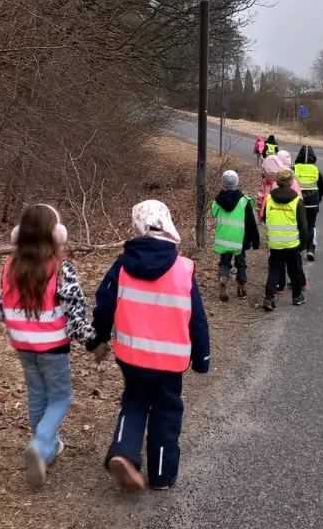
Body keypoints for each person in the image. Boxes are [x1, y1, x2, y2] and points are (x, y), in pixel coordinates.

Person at [0, 204, 104, 489]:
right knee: (60, 397)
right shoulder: (61, 269)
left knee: (37, 394)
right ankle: (39, 443)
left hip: (23, 346)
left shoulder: (11, 266)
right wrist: (94, 342)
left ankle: (47, 450)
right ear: (57, 235)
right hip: (53, 348)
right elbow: (76, 318)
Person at [92, 200, 210, 491]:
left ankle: (123, 451)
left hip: (131, 357)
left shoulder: (121, 266)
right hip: (170, 363)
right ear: (168, 225)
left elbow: (103, 306)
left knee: (134, 402)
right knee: (166, 412)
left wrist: (98, 338)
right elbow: (197, 319)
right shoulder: (183, 269)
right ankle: (161, 475)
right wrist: (202, 357)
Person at [262, 169, 309, 311]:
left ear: (277, 181)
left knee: (274, 270)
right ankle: (297, 296)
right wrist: (303, 244)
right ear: (291, 182)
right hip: (292, 243)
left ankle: (269, 298)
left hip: (275, 242)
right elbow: (303, 225)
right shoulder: (297, 201)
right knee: (294, 270)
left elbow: (265, 217)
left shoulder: (269, 198)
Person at [211, 170, 260, 301]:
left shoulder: (217, 201)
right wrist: (254, 241)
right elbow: (251, 222)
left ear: (223, 183)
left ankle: (223, 278)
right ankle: (241, 288)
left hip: (223, 237)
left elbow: (214, 213)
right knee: (241, 263)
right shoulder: (245, 201)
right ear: (237, 182)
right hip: (239, 238)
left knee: (224, 262)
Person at [294, 145, 323, 262]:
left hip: (298, 202)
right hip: (313, 203)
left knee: (298, 225)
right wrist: (319, 198)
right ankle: (311, 249)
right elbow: (321, 186)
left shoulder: (294, 168)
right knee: (311, 225)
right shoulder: (316, 170)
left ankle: (298, 248)